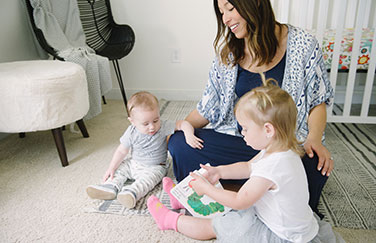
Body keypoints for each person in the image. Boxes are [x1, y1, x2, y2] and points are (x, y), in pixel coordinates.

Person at [168, 0, 334, 217]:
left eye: (230, 8)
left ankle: (235, 194)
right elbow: (209, 108)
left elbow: (317, 101)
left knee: (313, 165)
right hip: (243, 140)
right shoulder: (229, 53)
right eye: (221, 12)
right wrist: (183, 127)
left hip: (284, 145)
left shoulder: (303, 44)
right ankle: (248, 196)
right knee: (180, 144)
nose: (225, 19)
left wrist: (314, 137)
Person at [147, 76, 343, 242]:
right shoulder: (281, 149)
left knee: (220, 225)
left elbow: (240, 201)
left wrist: (207, 188)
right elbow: (249, 166)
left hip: (280, 236)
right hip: (282, 221)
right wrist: (220, 171)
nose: (242, 133)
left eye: (246, 129)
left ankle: (170, 221)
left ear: (268, 129)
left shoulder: (273, 167)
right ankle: (183, 198)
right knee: (230, 207)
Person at [86, 91, 203, 208]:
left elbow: (183, 123)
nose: (152, 126)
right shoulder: (131, 132)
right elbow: (122, 151)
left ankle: (132, 193)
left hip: (156, 166)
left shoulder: (163, 127)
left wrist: (189, 135)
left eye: (155, 120)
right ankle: (110, 186)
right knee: (120, 169)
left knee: (147, 182)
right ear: (133, 121)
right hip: (134, 163)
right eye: (145, 123)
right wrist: (111, 168)